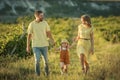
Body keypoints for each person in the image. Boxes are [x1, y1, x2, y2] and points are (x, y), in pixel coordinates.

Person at [26, 10, 54, 76]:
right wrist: (28, 46)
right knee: (37, 61)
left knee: (46, 62)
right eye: (41, 15)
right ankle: (38, 75)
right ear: (36, 16)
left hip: (44, 45)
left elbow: (49, 33)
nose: (42, 17)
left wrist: (52, 40)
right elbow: (29, 36)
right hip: (35, 46)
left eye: (42, 15)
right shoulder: (31, 24)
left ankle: (47, 75)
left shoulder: (45, 23)